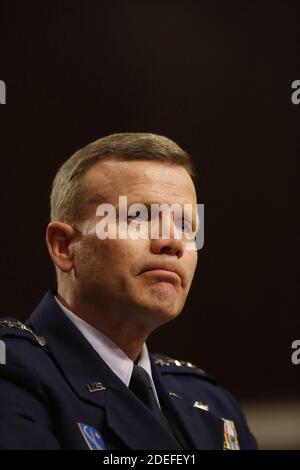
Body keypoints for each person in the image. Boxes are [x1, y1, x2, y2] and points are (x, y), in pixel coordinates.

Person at [0, 133, 257, 450]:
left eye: (186, 226)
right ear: (64, 246)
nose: (173, 242)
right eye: (139, 216)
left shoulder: (212, 404)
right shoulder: (12, 371)